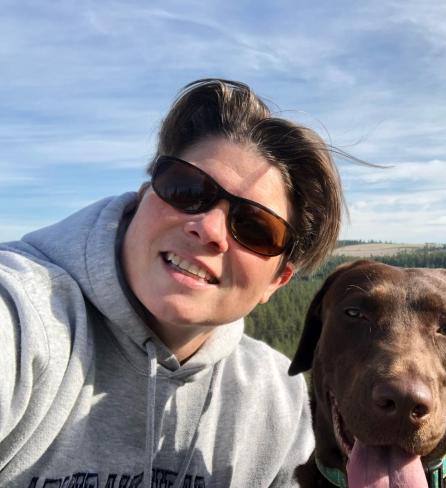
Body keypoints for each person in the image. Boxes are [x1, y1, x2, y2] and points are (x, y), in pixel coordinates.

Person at [0, 79, 344, 487]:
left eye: (254, 227)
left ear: (277, 281)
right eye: (187, 189)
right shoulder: (24, 320)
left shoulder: (274, 402)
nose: (210, 228)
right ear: (145, 195)